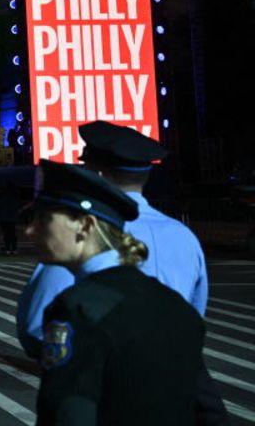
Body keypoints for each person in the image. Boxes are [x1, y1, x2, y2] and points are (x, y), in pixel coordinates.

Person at [28, 160, 213, 425]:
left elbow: (66, 414)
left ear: (86, 226)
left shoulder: (78, 308)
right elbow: (209, 408)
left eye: (44, 218)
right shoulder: (175, 306)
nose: (30, 230)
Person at [16, 120, 209, 355]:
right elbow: (194, 316)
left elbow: (37, 327)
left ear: (97, 175)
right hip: (178, 373)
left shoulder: (85, 232)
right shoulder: (185, 236)